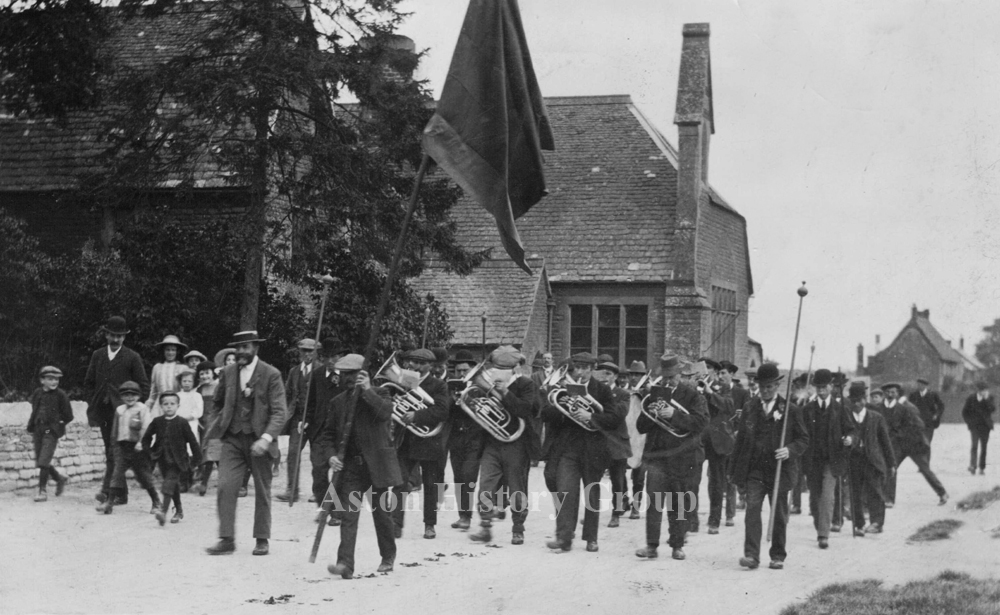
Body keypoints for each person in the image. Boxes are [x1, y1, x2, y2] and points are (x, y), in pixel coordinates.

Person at [205, 331, 288, 556]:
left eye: (246, 347)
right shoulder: (229, 372)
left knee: (262, 490)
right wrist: (216, 425)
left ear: (256, 348)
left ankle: (262, 539)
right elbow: (216, 403)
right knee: (225, 486)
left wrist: (266, 438)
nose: (241, 351)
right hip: (232, 439)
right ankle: (227, 539)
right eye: (238, 347)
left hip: (260, 440)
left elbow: (280, 412)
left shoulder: (271, 374)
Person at [320, 354, 401, 579]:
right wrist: (331, 457)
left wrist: (367, 391)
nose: (346, 378)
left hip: (377, 466)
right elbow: (327, 436)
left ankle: (387, 556)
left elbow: (385, 413)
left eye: (351, 374)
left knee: (382, 514)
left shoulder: (381, 393)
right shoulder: (337, 402)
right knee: (349, 515)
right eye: (343, 374)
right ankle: (345, 564)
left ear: (363, 374)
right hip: (352, 468)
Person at [728, 363, 809, 571]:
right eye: (762, 387)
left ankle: (778, 555)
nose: (765, 391)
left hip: (779, 470)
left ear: (777, 386)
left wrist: (789, 450)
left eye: (769, 387)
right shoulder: (750, 407)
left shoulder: (790, 410)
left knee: (779, 514)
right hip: (755, 469)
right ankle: (752, 555)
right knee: (752, 511)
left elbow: (803, 439)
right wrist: (735, 471)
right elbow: (742, 441)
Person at [541, 352, 621, 552]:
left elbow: (613, 419)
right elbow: (544, 414)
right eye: (578, 368)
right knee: (565, 492)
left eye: (586, 368)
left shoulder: (601, 390)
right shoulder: (562, 388)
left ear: (592, 369)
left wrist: (590, 416)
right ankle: (564, 538)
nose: (581, 372)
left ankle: (591, 538)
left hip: (593, 450)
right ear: (573, 368)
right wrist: (562, 406)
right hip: (568, 448)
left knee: (591, 494)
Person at [634, 357, 709, 561]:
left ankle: (677, 545)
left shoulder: (693, 395)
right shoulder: (652, 395)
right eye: (665, 378)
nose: (668, 382)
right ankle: (651, 546)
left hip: (681, 457)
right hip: (657, 458)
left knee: (679, 504)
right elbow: (641, 427)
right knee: (654, 503)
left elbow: (701, 422)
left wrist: (674, 414)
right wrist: (651, 414)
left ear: (680, 374)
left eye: (672, 377)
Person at [468, 347, 541, 545]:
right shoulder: (487, 385)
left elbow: (525, 410)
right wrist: (477, 405)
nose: (498, 372)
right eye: (496, 367)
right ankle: (485, 526)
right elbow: (480, 409)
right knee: (486, 485)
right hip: (492, 441)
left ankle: (518, 527)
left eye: (504, 368)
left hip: (517, 443)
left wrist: (505, 392)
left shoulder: (526, 384)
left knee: (517, 488)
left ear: (515, 368)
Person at [84, 316, 149, 504]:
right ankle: (121, 494)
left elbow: (143, 386)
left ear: (124, 337)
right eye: (112, 335)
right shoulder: (98, 355)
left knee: (115, 451)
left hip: (123, 414)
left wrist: (133, 408)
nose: (115, 340)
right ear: (106, 335)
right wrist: (93, 401)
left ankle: (106, 491)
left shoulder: (132, 357)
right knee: (111, 451)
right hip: (104, 411)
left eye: (119, 336)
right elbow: (88, 383)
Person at [389, 348, 450, 539]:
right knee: (399, 483)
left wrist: (417, 415)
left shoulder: (438, 385)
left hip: (429, 441)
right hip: (406, 441)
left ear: (428, 366)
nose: (410, 365)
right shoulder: (406, 381)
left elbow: (442, 411)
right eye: (410, 361)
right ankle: (396, 524)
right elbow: (394, 400)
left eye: (416, 362)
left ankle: (429, 525)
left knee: (431, 486)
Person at [801, 369, 855, 549]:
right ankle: (820, 526)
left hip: (833, 460)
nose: (821, 391)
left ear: (831, 387)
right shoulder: (807, 409)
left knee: (827, 496)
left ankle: (823, 534)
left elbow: (851, 429)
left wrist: (850, 439)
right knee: (815, 497)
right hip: (812, 460)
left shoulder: (840, 409)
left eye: (824, 387)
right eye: (818, 387)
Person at [880, 382, 948, 506]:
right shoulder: (883, 407)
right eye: (887, 392)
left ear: (898, 393)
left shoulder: (907, 407)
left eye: (893, 392)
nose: (890, 394)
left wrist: (902, 433)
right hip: (899, 445)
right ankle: (889, 499)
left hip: (913, 444)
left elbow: (919, 425)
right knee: (891, 468)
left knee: (924, 469)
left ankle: (942, 493)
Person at [302, 338, 348, 517]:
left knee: (340, 473)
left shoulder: (347, 375)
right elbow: (311, 402)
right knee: (318, 471)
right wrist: (305, 420)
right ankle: (324, 506)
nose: (331, 361)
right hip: (319, 430)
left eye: (334, 357)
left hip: (341, 431)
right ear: (321, 358)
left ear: (340, 357)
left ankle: (335, 511)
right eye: (327, 357)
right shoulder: (317, 374)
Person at [98, 381, 159, 515]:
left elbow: (146, 428)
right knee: (116, 474)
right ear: (121, 396)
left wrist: (141, 443)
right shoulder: (120, 410)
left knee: (143, 476)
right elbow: (115, 431)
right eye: (126, 395)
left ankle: (156, 501)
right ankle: (109, 503)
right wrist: (114, 447)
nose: (129, 398)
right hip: (122, 447)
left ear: (138, 396)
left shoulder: (142, 409)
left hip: (138, 448)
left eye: (133, 395)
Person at [143, 392, 203, 525]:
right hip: (162, 459)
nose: (169, 407)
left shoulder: (182, 422)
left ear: (178, 405)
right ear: (161, 406)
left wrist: (195, 460)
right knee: (172, 485)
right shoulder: (157, 421)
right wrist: (150, 452)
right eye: (165, 404)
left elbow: (193, 442)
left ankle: (163, 512)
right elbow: (146, 438)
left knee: (168, 483)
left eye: (172, 404)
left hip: (178, 460)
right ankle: (179, 510)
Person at [845, 382, 894, 535]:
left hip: (872, 461)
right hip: (854, 461)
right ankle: (859, 524)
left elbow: (886, 442)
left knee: (875, 492)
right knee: (855, 493)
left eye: (860, 400)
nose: (857, 404)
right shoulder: (846, 418)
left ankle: (877, 523)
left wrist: (891, 463)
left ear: (865, 400)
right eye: (853, 401)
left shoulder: (876, 418)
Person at [697, 361, 736, 535]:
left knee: (717, 483)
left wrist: (710, 392)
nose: (707, 374)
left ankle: (714, 521)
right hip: (699, 439)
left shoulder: (724, 387)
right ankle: (691, 519)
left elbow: (729, 406)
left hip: (718, 441)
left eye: (711, 371)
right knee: (692, 480)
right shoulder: (695, 387)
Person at [593, 354, 632, 528]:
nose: (604, 377)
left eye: (608, 373)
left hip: (617, 443)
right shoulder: (593, 392)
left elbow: (618, 415)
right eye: (601, 373)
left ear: (615, 377)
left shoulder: (623, 394)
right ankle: (591, 513)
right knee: (592, 479)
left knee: (617, 480)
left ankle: (616, 513)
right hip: (598, 441)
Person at [277, 338, 318, 503]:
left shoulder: (321, 371)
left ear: (316, 352)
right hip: (297, 418)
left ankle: (319, 491)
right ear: (299, 352)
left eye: (310, 351)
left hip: (315, 420)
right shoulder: (294, 371)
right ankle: (292, 490)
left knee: (317, 457)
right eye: (304, 351)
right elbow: (287, 394)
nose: (307, 354)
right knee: (293, 453)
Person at [447, 350, 484, 530]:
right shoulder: (449, 387)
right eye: (458, 371)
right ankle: (463, 515)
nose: (461, 374)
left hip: (474, 438)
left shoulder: (479, 387)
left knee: (469, 476)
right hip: (456, 439)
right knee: (459, 477)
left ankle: (469, 515)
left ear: (472, 369)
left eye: (464, 370)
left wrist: (469, 401)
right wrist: (451, 400)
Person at [27, 366, 73, 502]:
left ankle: (42, 491)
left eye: (56, 379)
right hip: (38, 429)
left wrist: (57, 425)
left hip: (50, 431)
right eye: (50, 379)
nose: (54, 382)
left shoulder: (61, 395)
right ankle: (59, 478)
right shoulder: (37, 393)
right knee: (41, 460)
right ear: (42, 380)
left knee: (43, 460)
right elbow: (34, 409)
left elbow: (69, 416)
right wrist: (33, 425)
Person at [625, 360, 650, 519]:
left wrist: (646, 392)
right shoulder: (625, 392)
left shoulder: (648, 392)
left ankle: (636, 506)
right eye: (632, 374)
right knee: (619, 473)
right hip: (627, 435)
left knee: (639, 475)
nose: (634, 377)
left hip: (642, 436)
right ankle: (622, 502)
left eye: (638, 374)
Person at [147, 335, 189, 417]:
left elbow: (187, 389)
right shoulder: (157, 367)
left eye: (173, 350)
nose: (170, 353)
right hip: (160, 405)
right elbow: (154, 389)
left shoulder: (183, 368)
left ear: (177, 352)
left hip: (176, 404)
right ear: (163, 351)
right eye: (167, 350)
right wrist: (149, 404)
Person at [194, 361, 220, 496]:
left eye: (207, 373)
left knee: (212, 452)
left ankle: (204, 482)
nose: (204, 376)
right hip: (203, 425)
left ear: (213, 373)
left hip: (216, 424)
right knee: (208, 453)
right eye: (201, 374)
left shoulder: (219, 386)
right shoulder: (199, 389)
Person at [962, 382, 995, 475]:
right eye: (981, 390)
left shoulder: (989, 398)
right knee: (974, 446)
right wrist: (969, 423)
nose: (983, 392)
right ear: (978, 390)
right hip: (974, 427)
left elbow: (993, 409)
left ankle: (982, 467)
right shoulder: (971, 398)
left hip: (986, 427)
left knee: (984, 448)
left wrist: (986, 399)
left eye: (984, 390)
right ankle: (973, 466)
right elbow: (964, 412)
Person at [910, 377, 945, 455]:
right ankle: (922, 465)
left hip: (929, 423)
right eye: (918, 385)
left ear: (925, 386)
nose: (919, 386)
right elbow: (909, 408)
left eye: (921, 385)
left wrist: (936, 415)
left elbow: (941, 406)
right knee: (919, 444)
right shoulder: (913, 395)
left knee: (927, 443)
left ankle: (926, 464)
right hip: (917, 423)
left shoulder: (932, 394)